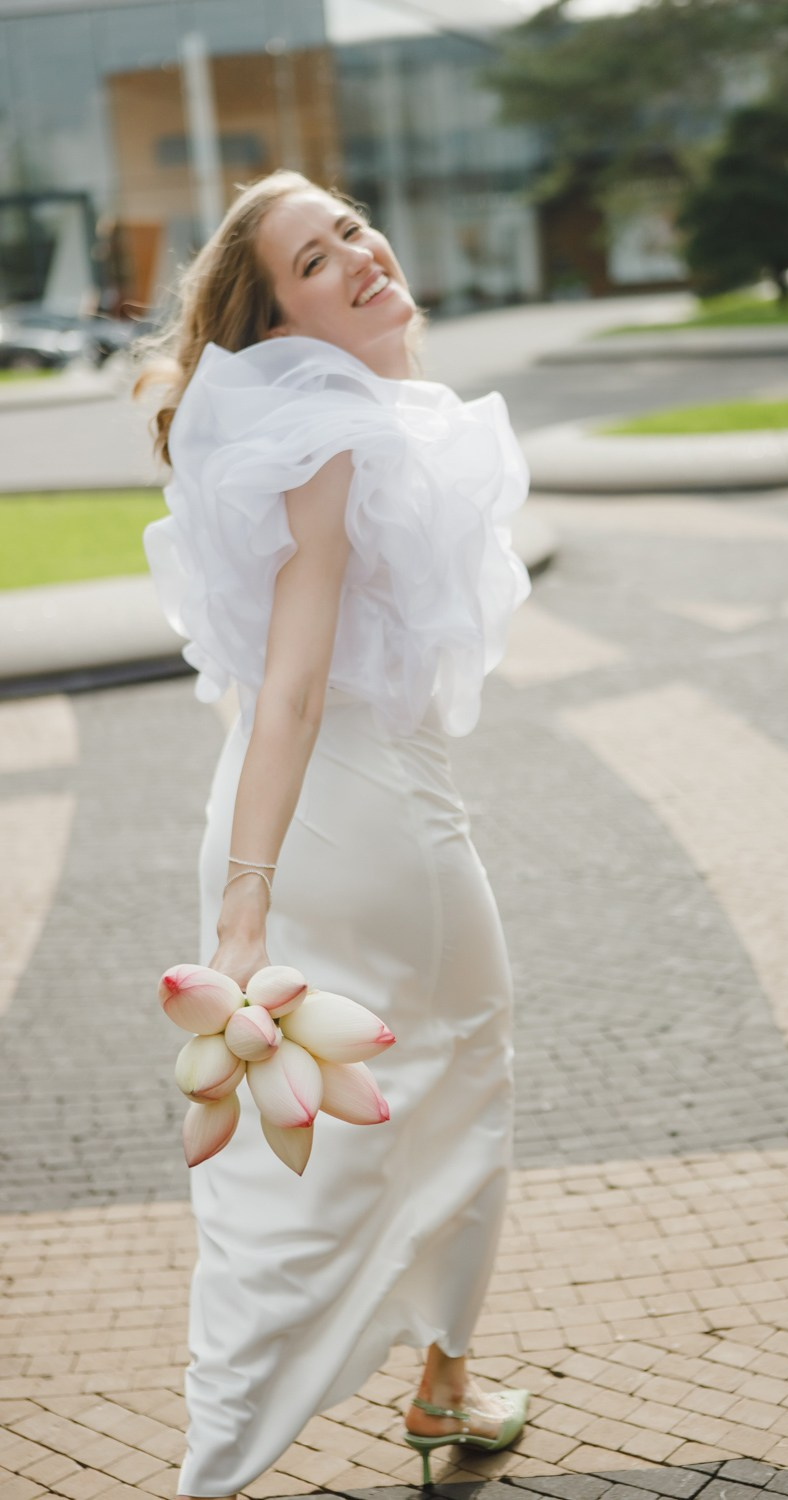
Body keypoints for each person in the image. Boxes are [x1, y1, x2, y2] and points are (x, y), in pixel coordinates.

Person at [133, 168, 533, 1500]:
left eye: (351, 228)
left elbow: (267, 695)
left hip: (286, 812)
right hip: (360, 827)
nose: (359, 255)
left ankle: (424, 1391)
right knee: (462, 1078)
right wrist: (247, 910)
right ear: (283, 326)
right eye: (316, 260)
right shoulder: (337, 436)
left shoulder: (329, 427)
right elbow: (294, 682)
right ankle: (405, 1396)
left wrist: (242, 883)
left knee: (289, 1151)